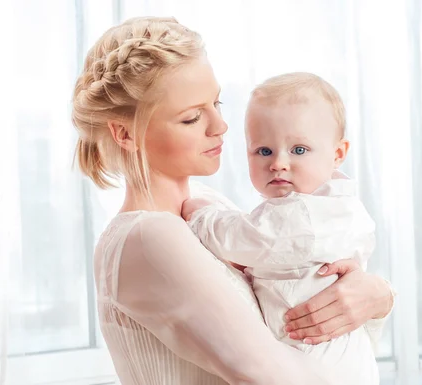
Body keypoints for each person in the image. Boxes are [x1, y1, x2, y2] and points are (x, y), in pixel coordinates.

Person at [71, 16, 394, 385]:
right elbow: (279, 378)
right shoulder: (149, 236)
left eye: (216, 102)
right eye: (192, 118)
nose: (220, 125)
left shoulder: (207, 203)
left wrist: (376, 296)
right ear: (125, 134)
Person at [182, 72, 380, 384]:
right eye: (263, 151)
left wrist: (200, 216)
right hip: (341, 362)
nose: (278, 163)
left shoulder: (303, 215)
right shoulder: (341, 206)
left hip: (316, 363)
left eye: (299, 150)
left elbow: (241, 238)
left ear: (338, 154)